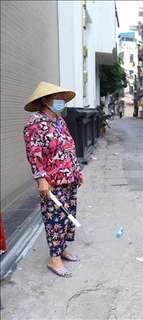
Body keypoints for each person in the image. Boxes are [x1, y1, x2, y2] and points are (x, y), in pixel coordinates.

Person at [23, 82, 84, 278]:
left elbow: (68, 147)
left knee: (68, 216)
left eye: (62, 99)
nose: (62, 103)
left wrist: (77, 172)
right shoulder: (35, 123)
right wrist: (41, 179)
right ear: (45, 100)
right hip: (52, 181)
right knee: (55, 219)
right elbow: (34, 153)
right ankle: (54, 259)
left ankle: (62, 249)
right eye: (58, 99)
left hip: (69, 178)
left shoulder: (59, 120)